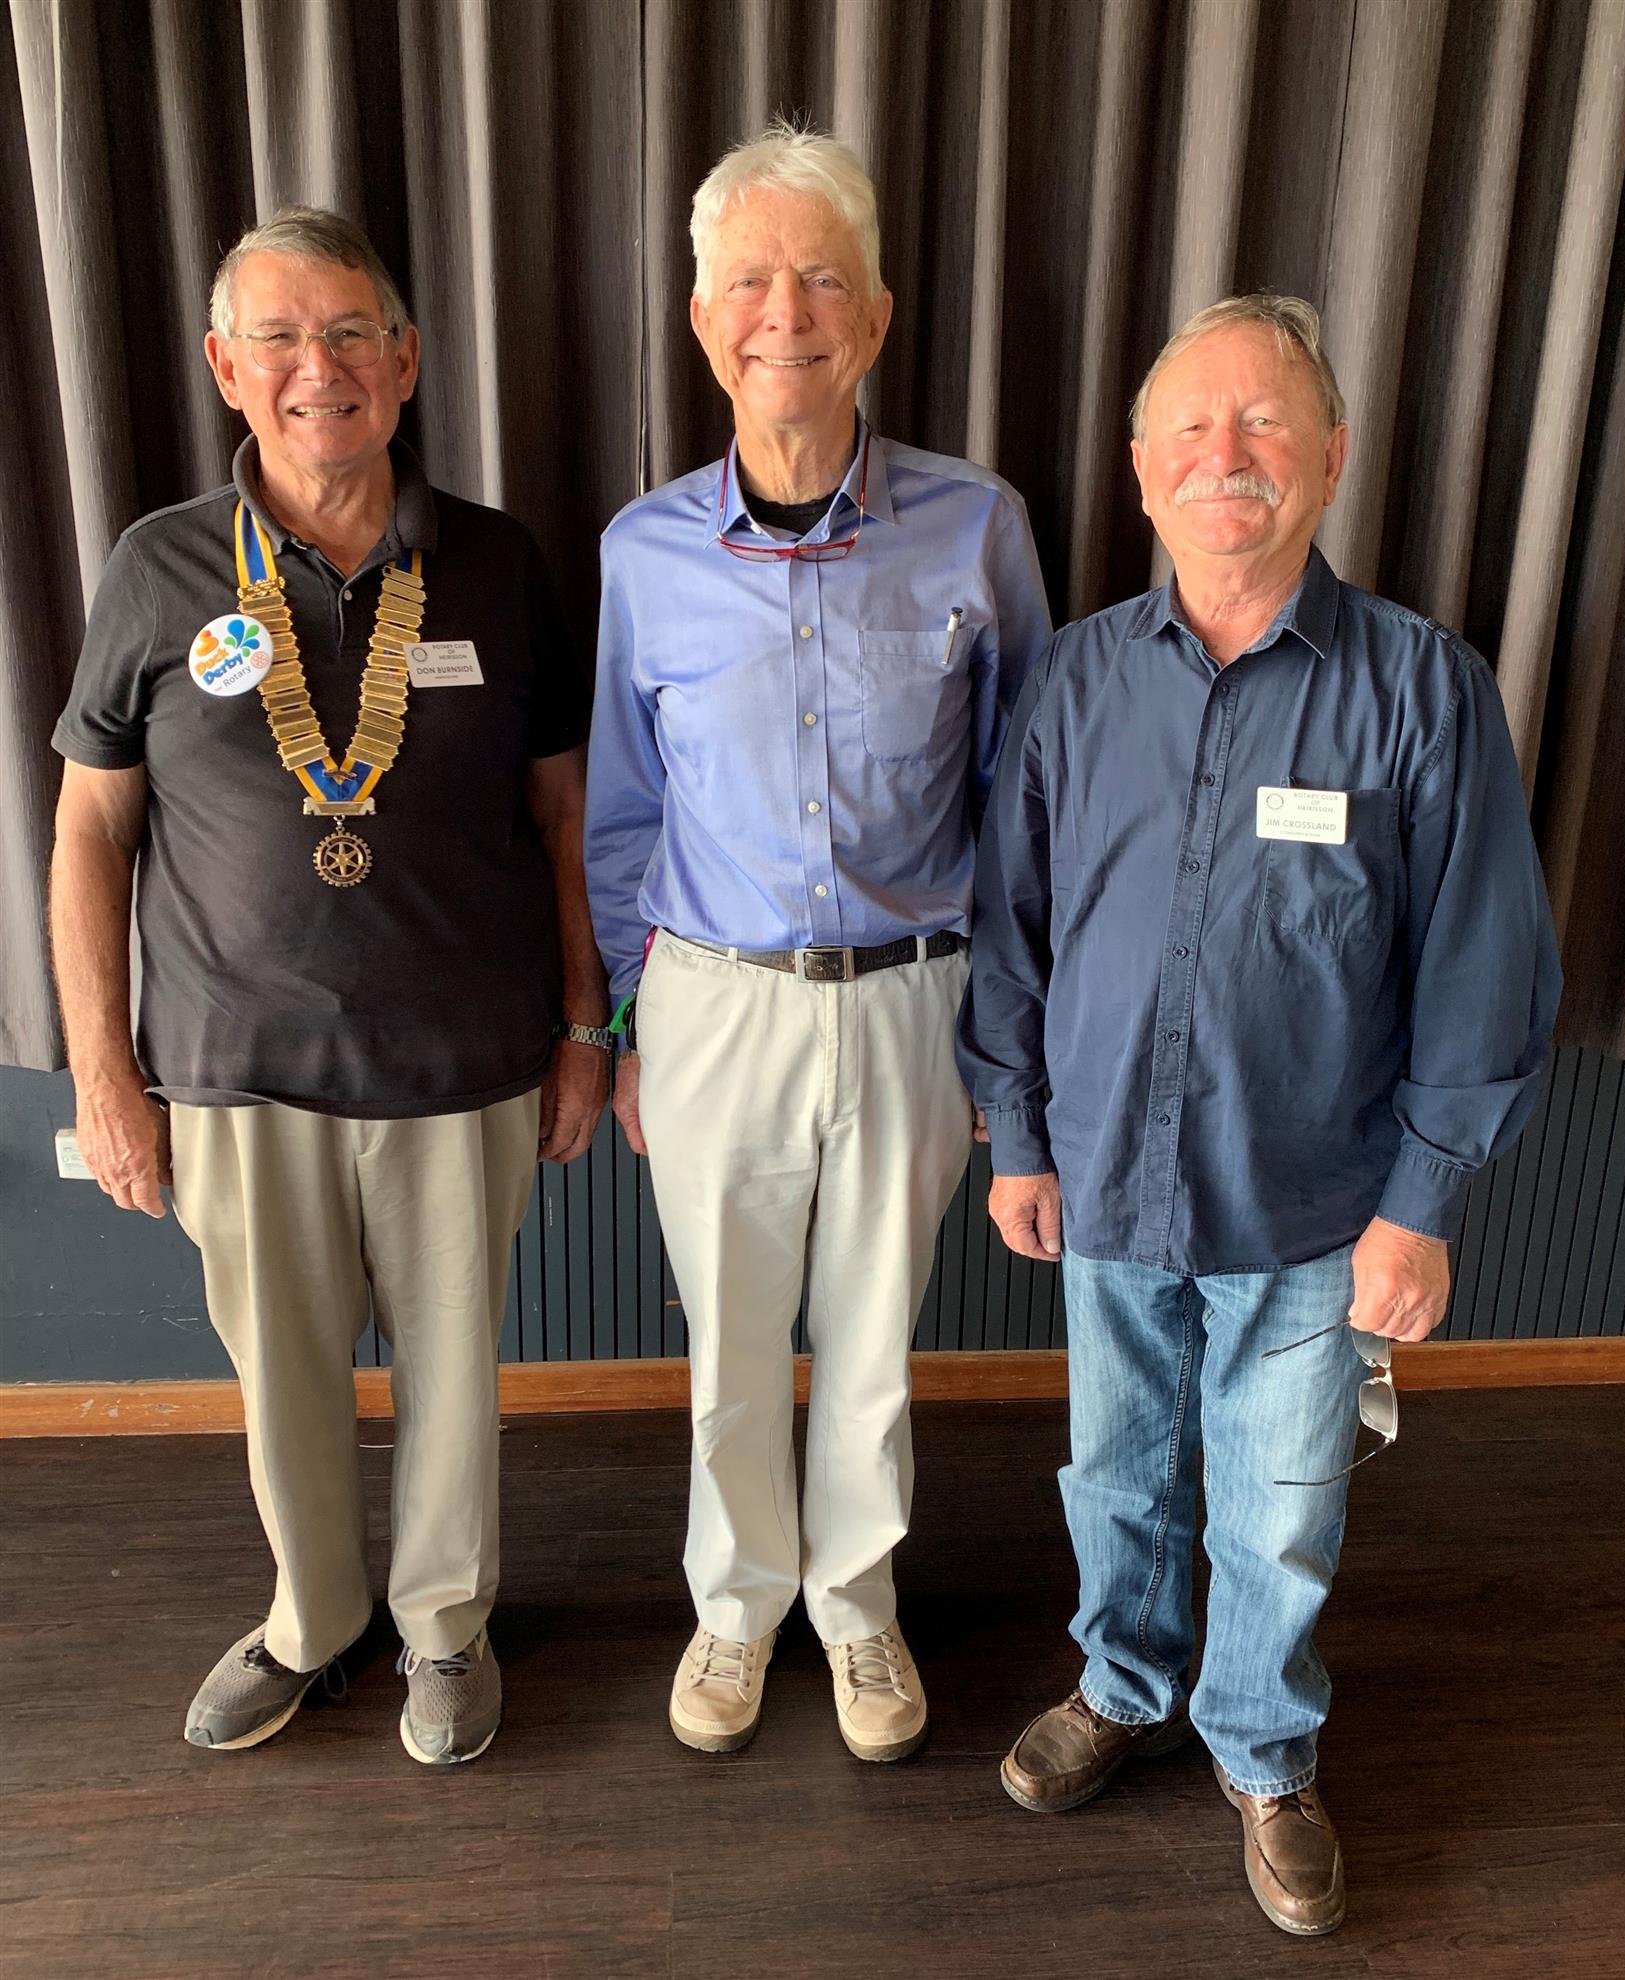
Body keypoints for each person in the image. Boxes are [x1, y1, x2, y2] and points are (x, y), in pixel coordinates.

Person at [959, 294, 1560, 1933]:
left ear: (1332, 457)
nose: (1226, 454)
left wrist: (1423, 1205)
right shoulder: (1077, 679)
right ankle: (1123, 1684)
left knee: (1282, 1509)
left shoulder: (1423, 689)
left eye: (1266, 421)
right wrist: (1019, 1132)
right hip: (1103, 1182)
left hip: (1318, 1203)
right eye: (1192, 427)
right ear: (1142, 468)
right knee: (1115, 1473)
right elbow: (1010, 924)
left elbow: (1485, 965)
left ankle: (1263, 1749)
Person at [50, 205, 610, 1766]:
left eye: (352, 333)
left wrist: (587, 1027)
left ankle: (444, 1626)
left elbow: (567, 816)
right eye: (281, 339)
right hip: (238, 1070)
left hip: (466, 1063)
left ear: (407, 359)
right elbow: (89, 827)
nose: (321, 368)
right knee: (280, 1384)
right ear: (227, 367)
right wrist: (104, 1071)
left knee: (455, 1378)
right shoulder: (158, 567)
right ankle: (312, 1620)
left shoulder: (495, 562)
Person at [585, 123, 1050, 1762]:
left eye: (822, 280)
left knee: (871, 1346)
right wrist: (631, 1026)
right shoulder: (641, 552)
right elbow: (622, 816)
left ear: (878, 315)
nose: (784, 314)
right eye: (748, 283)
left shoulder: (980, 527)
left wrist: (1003, 1037)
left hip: (913, 1003)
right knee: (728, 1344)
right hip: (712, 1007)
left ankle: (857, 1611)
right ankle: (735, 1607)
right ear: (701, 319)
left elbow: (1023, 804)